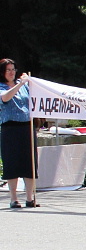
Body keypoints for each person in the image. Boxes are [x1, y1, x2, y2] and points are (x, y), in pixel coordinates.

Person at [0, 58, 40, 208]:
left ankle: (30, 197)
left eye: (13, 69)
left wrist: (28, 82)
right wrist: (21, 84)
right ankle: (13, 198)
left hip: (27, 126)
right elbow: (5, 97)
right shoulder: (2, 86)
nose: (11, 73)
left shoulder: (24, 86)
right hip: (10, 128)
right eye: (8, 70)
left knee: (29, 162)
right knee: (12, 162)